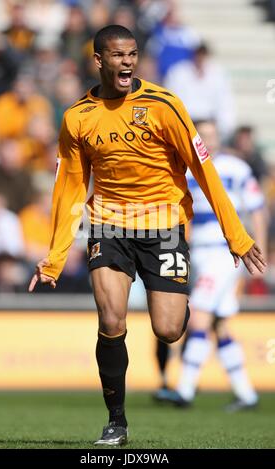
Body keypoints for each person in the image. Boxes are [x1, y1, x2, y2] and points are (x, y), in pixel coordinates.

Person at [28, 25, 266, 445]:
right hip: (109, 223)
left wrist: (237, 235)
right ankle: (116, 421)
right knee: (111, 318)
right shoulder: (77, 117)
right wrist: (54, 258)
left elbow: (204, 170)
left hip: (165, 225)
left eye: (133, 54)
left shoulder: (164, 105)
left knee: (169, 330)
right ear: (98, 60)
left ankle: (179, 308)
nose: (128, 62)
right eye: (118, 55)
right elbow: (68, 188)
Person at [154, 120, 267, 411]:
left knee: (200, 316)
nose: (208, 140)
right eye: (202, 135)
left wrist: (260, 248)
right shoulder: (185, 169)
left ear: (219, 137)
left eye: (212, 134)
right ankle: (246, 394)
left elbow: (256, 210)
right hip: (198, 254)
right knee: (220, 326)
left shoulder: (235, 168)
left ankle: (185, 389)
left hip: (223, 254)